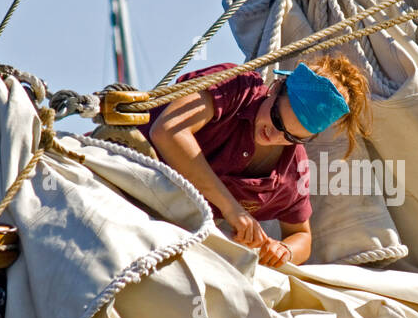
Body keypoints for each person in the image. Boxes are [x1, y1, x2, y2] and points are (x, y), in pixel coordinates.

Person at [146, 54, 370, 267]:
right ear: (274, 88)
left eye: (291, 137)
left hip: (171, 232)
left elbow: (302, 237)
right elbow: (168, 131)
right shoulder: (236, 86)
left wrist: (284, 250)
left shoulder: (292, 170)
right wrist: (232, 210)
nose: (274, 136)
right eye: (276, 119)